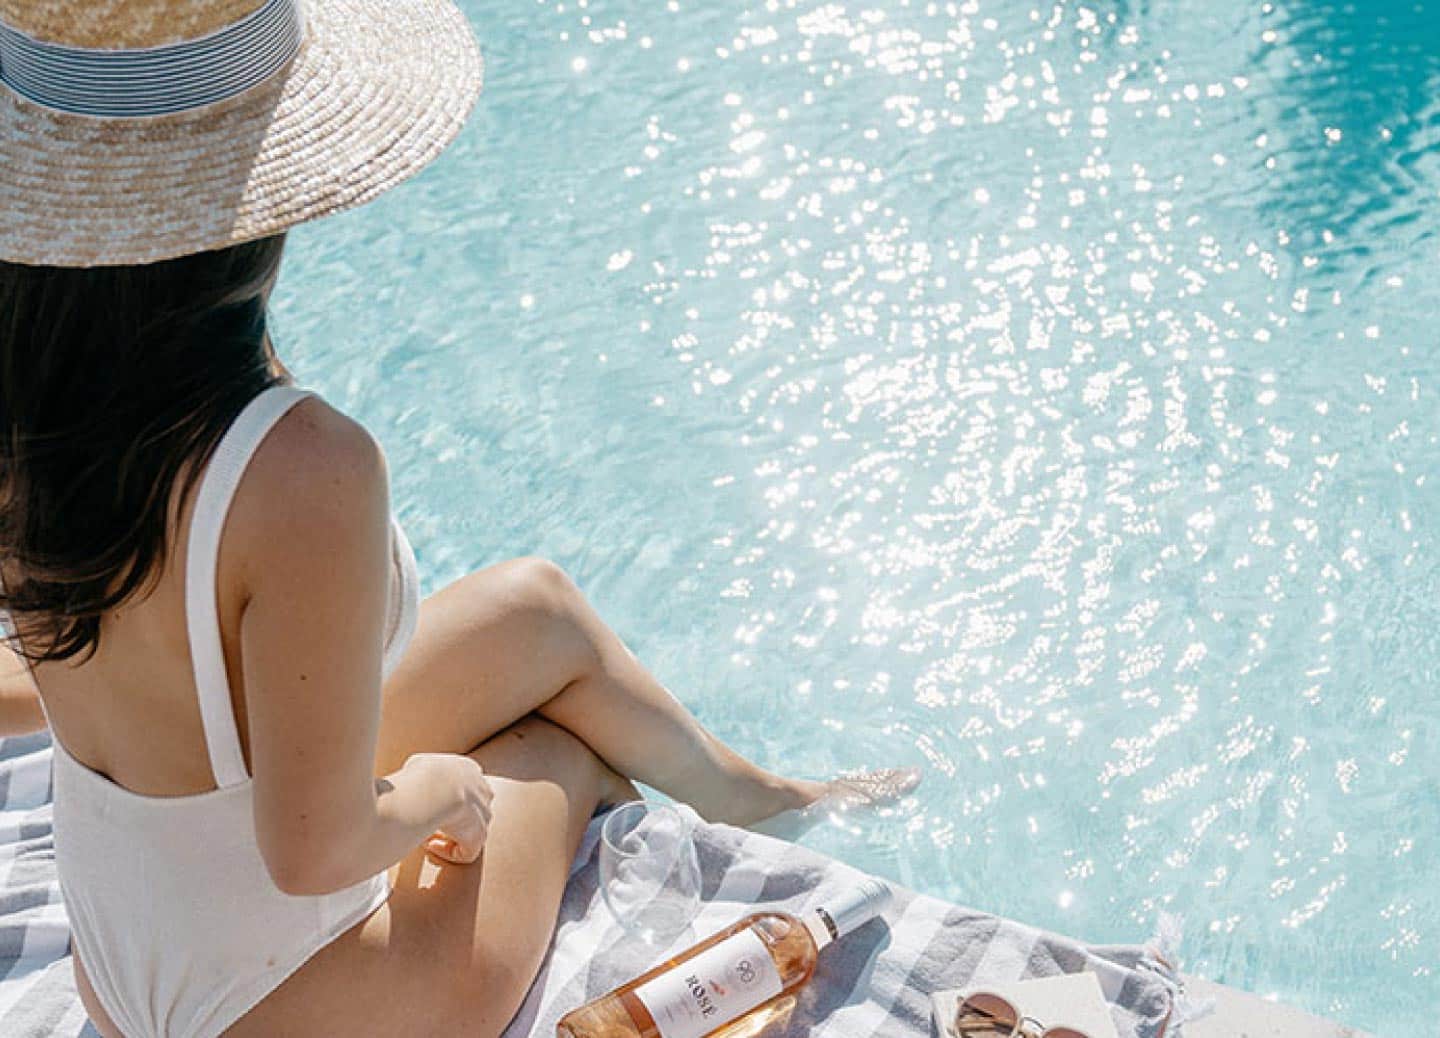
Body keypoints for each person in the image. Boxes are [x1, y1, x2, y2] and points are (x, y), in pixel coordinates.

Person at [0, 1, 918, 1035]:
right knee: (558, 752)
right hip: (278, 1005)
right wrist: (438, 789)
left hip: (130, 957)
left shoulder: (35, 404)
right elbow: (310, 851)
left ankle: (757, 794)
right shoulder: (302, 469)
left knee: (534, 611)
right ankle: (756, 836)